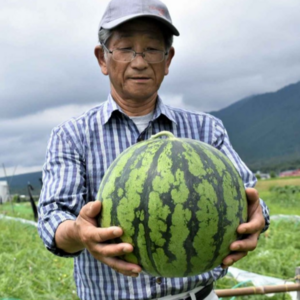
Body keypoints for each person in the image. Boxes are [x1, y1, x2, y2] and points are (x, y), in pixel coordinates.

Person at [37, 0, 270, 299]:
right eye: (125, 48)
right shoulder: (72, 136)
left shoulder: (206, 130)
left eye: (151, 49)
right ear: (102, 58)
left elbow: (252, 201)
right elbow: (52, 220)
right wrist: (79, 232)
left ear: (168, 59)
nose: (139, 61)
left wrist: (256, 219)